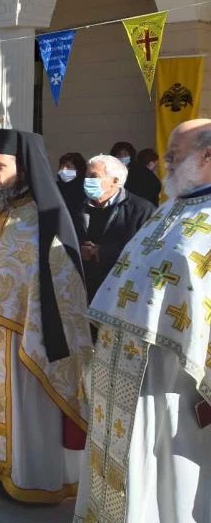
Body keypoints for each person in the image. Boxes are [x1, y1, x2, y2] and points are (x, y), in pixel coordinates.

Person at [0, 128, 93, 503]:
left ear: (24, 170)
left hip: (30, 334)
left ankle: (29, 477)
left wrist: (35, 321)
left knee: (25, 407)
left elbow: (64, 280)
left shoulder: (45, 217)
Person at [76, 119, 211, 522]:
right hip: (123, 363)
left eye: (174, 155)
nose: (165, 162)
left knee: (167, 461)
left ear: (208, 155)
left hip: (173, 375)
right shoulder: (169, 208)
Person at [75, 154, 154, 303]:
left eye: (94, 176)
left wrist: (102, 252)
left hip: (122, 291)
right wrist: (79, 250)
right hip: (85, 290)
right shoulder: (76, 206)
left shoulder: (142, 210)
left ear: (115, 181)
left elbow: (148, 251)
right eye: (86, 176)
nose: (87, 180)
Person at [57, 151, 87, 221]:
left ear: (78, 170)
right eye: (61, 166)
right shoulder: (55, 187)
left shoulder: (86, 188)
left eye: (68, 166)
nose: (63, 169)